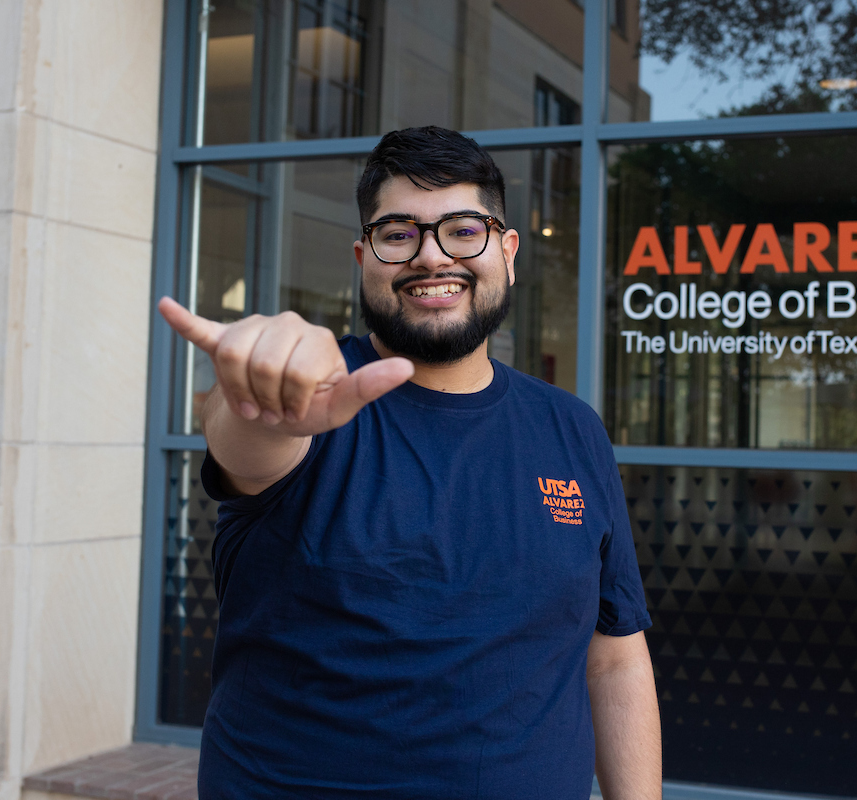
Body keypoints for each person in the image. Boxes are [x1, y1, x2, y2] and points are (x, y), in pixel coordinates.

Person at [158, 125, 661, 799]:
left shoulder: (573, 430)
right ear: (364, 257)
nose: (431, 257)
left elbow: (614, 657)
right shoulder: (315, 401)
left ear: (508, 252)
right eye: (399, 233)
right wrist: (253, 393)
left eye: (463, 230)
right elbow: (241, 438)